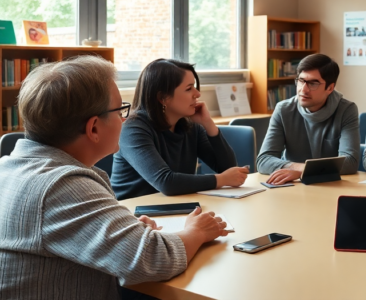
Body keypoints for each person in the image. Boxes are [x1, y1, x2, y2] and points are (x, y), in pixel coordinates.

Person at [0, 56, 229, 300]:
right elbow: (154, 259)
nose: (124, 119)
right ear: (94, 128)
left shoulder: (8, 167)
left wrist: (127, 229)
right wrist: (196, 231)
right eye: (120, 110)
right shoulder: (62, 185)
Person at [111, 59, 248, 200]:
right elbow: (166, 182)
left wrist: (208, 124)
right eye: (189, 89)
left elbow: (228, 169)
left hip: (173, 205)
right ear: (163, 98)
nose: (197, 94)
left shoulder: (190, 126)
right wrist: (221, 180)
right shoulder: (132, 129)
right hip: (131, 210)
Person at [257, 54, 360, 184]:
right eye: (301, 80)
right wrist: (298, 169)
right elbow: (264, 160)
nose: (303, 89)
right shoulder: (283, 110)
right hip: (292, 185)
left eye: (313, 83)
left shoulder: (346, 110)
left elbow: (350, 162)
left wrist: (302, 171)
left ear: (330, 88)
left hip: (331, 185)